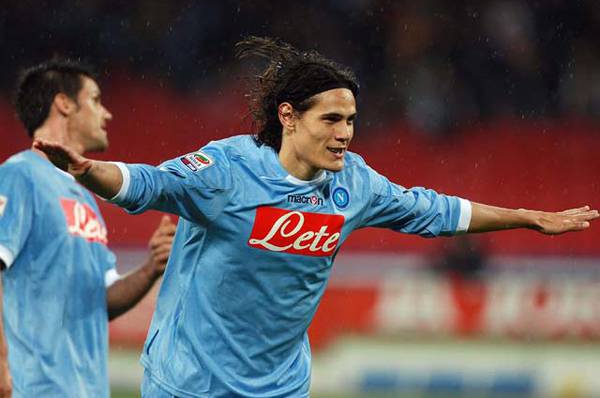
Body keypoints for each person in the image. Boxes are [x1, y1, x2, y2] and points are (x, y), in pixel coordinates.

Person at [35, 38, 598, 398]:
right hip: (190, 383)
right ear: (289, 117)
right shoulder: (226, 169)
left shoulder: (355, 184)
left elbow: (438, 211)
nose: (345, 133)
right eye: (331, 119)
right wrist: (87, 169)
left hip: (281, 387)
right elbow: (146, 183)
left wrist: (526, 217)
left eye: (351, 120)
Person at [0, 59, 176, 397]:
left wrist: (151, 267)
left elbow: (101, 299)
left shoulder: (86, 199)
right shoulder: (19, 175)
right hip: (32, 388)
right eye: (95, 100)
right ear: (63, 104)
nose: (106, 114)